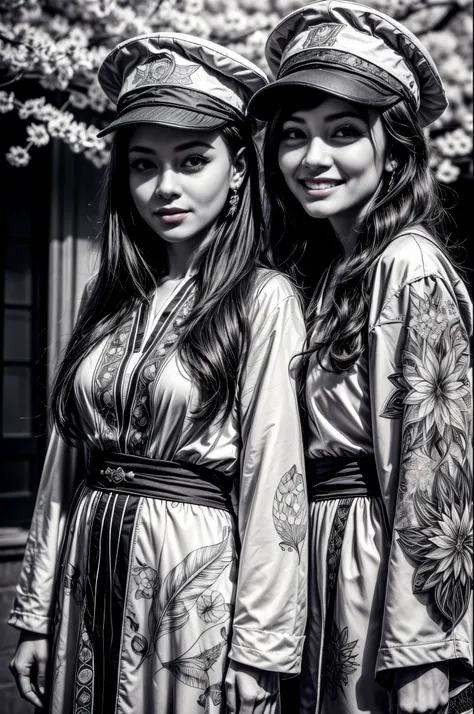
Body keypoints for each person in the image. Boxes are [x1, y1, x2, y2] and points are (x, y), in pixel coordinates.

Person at [9, 32, 308, 714]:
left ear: (238, 171)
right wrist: (33, 611)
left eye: (193, 159)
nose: (164, 186)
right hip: (88, 565)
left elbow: (275, 477)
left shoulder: (263, 299)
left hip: (190, 578)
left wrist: (259, 650)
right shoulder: (111, 299)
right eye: (144, 164)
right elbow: (66, 463)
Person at [248, 3, 473, 713]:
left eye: (343, 133)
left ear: (396, 149)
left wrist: (426, 646)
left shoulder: (409, 265)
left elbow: (438, 463)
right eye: (294, 136)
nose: (313, 159)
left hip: (376, 565)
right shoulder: (321, 272)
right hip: (314, 555)